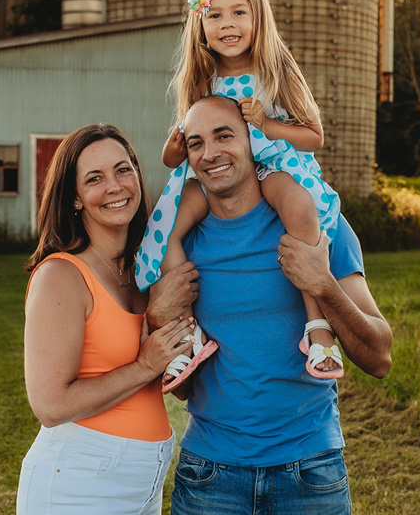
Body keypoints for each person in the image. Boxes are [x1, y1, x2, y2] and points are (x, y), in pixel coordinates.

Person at [148, 96, 393, 514]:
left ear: (251, 139)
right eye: (196, 143)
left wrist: (323, 284)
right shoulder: (181, 245)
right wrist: (161, 317)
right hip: (210, 475)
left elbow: (379, 357)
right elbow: (183, 386)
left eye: (224, 135)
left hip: (311, 472)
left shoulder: (320, 226)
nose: (211, 153)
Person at [135, 0, 343, 392]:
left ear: (257, 16)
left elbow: (314, 136)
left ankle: (318, 326)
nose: (227, 24)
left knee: (298, 205)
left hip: (270, 165)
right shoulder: (199, 79)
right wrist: (175, 149)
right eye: (215, 15)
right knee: (169, 224)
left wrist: (267, 124)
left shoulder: (276, 70)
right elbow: (174, 152)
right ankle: (188, 330)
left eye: (238, 12)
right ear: (201, 24)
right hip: (213, 172)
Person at [16, 123, 199, 515]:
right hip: (77, 482)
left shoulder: (146, 271)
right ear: (75, 198)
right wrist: (145, 365)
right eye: (95, 178)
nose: (115, 186)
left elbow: (181, 388)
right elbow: (50, 404)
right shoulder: (61, 276)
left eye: (123, 169)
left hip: (145, 482)